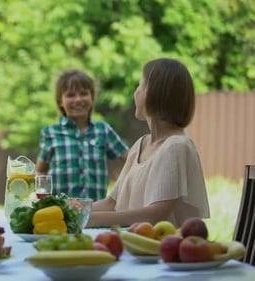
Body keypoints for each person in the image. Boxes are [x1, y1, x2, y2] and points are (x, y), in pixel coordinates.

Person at [88, 58, 210, 228]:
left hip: (163, 251)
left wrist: (88, 219)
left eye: (140, 85)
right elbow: (111, 203)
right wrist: (68, 210)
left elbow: (155, 215)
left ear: (153, 92)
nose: (135, 92)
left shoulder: (176, 146)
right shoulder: (140, 145)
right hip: (135, 247)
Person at [36, 69, 128, 201]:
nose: (78, 99)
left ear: (92, 97)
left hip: (96, 215)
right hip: (61, 216)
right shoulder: (50, 133)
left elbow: (131, 158)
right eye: (70, 95)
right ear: (60, 101)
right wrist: (44, 199)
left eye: (84, 94)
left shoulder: (103, 130)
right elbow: (41, 171)